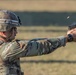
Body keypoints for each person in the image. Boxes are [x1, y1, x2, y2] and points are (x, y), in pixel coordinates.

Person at [0, 10, 76, 75]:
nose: (16, 32)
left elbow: (32, 42)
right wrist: (69, 37)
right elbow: (43, 46)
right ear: (3, 31)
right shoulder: (8, 49)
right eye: (13, 28)